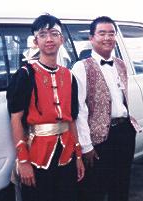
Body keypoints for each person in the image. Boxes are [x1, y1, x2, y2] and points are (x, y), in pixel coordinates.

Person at [6, 14, 85, 201]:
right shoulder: (25, 74)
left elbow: (71, 118)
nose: (49, 39)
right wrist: (23, 161)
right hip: (36, 156)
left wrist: (79, 155)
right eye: (43, 34)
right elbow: (16, 118)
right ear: (36, 41)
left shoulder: (70, 76)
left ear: (61, 39)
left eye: (54, 33)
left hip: (67, 153)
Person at [71, 16, 141, 201]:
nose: (107, 38)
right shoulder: (81, 67)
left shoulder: (120, 63)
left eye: (111, 33)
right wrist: (86, 146)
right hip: (99, 139)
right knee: (95, 190)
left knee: (121, 185)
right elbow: (79, 109)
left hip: (124, 132)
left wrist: (129, 128)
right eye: (102, 33)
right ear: (91, 38)